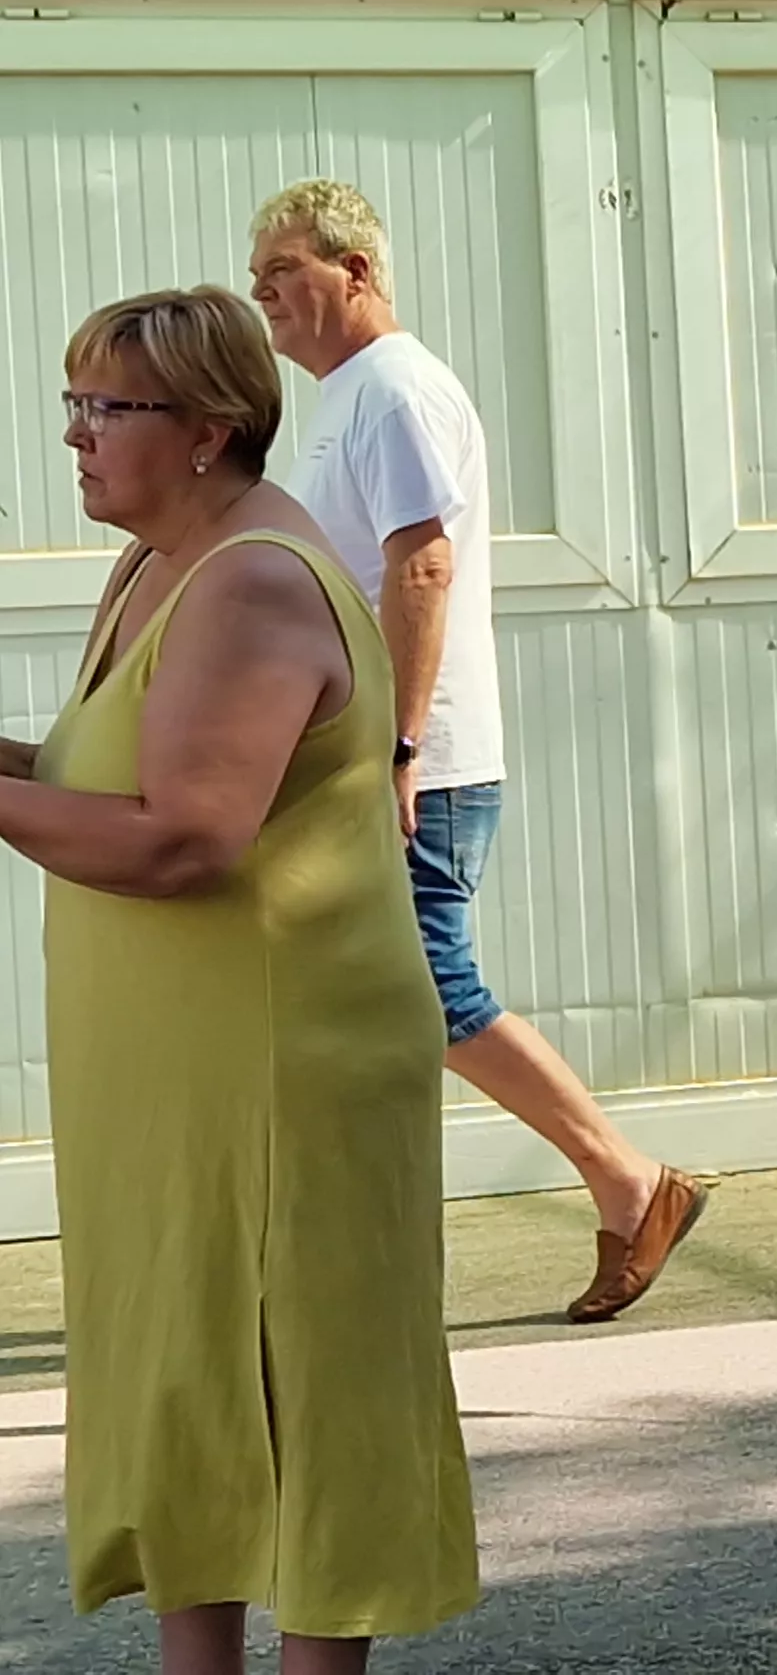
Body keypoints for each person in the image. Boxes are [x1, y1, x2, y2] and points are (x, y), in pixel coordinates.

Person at [6, 288, 476, 1672]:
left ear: (211, 430)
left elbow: (184, 836)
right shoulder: (161, 556)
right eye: (74, 405)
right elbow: (105, 776)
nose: (78, 439)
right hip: (176, 1068)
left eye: (110, 410)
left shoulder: (253, 578)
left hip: (282, 1066)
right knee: (182, 1375)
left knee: (298, 1390)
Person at [245, 178, 710, 1323]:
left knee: (432, 990)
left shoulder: (395, 392)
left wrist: (398, 745)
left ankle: (628, 1179)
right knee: (371, 991)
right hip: (374, 749)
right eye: (257, 279)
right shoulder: (350, 399)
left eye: (282, 273)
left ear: (355, 272)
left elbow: (422, 566)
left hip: (420, 757)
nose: (263, 299)